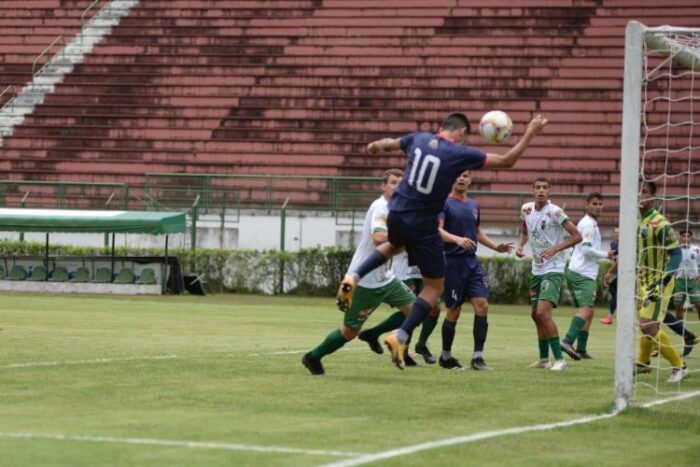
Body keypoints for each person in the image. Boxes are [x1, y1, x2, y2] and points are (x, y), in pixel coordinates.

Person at [336, 112, 548, 369]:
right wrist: (530, 133)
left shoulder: (419, 138)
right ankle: (400, 336)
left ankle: (353, 277)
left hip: (398, 210)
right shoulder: (459, 153)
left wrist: (374, 148)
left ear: (442, 127)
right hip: (424, 221)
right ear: (461, 134)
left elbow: (387, 143)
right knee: (434, 287)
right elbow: (507, 161)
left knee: (393, 246)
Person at [302, 169, 416, 375]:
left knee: (418, 310)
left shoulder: (400, 208)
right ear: (383, 186)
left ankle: (374, 335)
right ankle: (313, 357)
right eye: (393, 182)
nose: (397, 186)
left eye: (401, 183)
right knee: (349, 332)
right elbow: (379, 238)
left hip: (385, 277)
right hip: (365, 280)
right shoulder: (381, 207)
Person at [438, 170, 513, 370]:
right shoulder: (443, 203)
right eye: (458, 175)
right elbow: (437, 229)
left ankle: (477, 358)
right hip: (452, 262)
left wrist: (495, 247)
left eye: (465, 175)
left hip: (472, 262)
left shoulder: (474, 205)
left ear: (470, 180)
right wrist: (456, 239)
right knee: (453, 311)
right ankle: (446, 357)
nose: (461, 178)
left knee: (483, 305)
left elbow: (477, 231)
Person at [516, 177, 582, 371]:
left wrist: (556, 248)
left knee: (543, 313)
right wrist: (520, 246)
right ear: (532, 190)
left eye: (545, 188)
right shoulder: (526, 209)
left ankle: (560, 360)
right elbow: (525, 230)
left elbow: (577, 236)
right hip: (537, 269)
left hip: (553, 268)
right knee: (535, 315)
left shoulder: (555, 211)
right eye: (538, 187)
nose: (541, 191)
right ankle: (544, 359)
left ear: (549, 191)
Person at [632, 180, 688, 383]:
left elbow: (676, 253)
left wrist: (664, 279)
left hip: (659, 280)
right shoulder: (639, 221)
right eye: (638, 191)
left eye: (644, 192)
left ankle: (679, 367)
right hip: (644, 281)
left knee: (648, 325)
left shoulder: (659, 222)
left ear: (653, 197)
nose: (640, 195)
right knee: (645, 325)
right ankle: (643, 362)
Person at [560, 193, 615, 360]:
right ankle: (567, 341)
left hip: (581, 272)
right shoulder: (589, 225)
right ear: (587, 206)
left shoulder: (590, 224)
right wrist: (607, 254)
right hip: (582, 274)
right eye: (594, 203)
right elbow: (586, 249)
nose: (598, 206)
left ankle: (582, 349)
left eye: (600, 204)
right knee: (587, 309)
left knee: (589, 311)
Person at [670, 229, 700, 355]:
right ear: (680, 237)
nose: (686, 238)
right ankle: (681, 329)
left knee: (698, 304)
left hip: (693, 281)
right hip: (680, 281)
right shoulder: (676, 250)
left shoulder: (696, 249)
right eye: (684, 236)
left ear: (691, 238)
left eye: (688, 236)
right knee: (678, 306)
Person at [601, 227, 619, 325]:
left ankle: (610, 316)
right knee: (614, 294)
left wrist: (609, 273)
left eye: (619, 233)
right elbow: (613, 259)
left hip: (622, 273)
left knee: (616, 295)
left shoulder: (626, 245)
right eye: (615, 233)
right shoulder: (613, 244)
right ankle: (611, 315)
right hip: (616, 272)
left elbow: (618, 260)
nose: (616, 235)